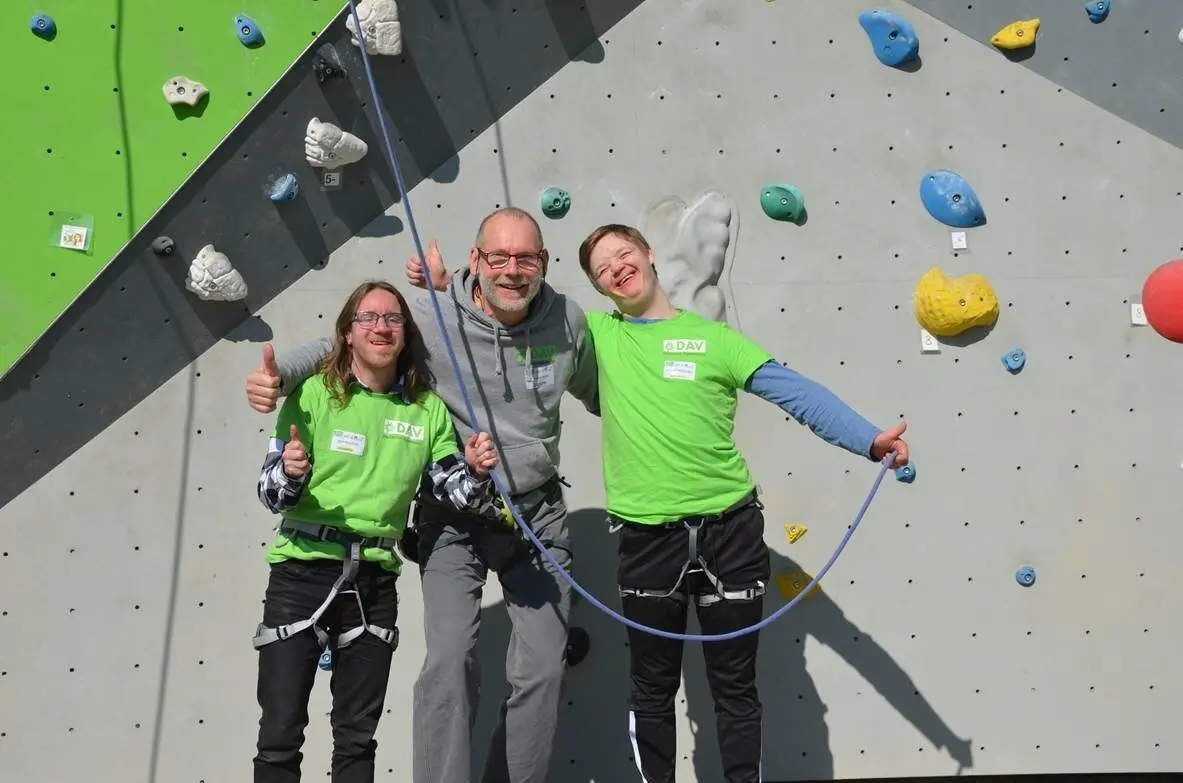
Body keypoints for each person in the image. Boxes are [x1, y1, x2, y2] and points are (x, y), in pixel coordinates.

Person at [243, 207, 600, 783]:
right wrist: (279, 375)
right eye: (499, 258)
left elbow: (603, 389)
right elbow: (343, 338)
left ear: (545, 265)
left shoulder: (569, 323)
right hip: (452, 521)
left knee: (543, 672)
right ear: (475, 261)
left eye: (526, 258)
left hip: (538, 517)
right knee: (450, 661)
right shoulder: (429, 319)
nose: (513, 271)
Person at [573, 223, 911, 783]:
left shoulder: (715, 340)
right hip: (646, 543)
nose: (617, 267)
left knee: (734, 690)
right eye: (602, 267)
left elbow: (793, 391)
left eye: (624, 253)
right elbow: (519, 316)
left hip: (730, 536)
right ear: (598, 286)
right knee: (651, 690)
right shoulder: (598, 336)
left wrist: (867, 438)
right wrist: (451, 287)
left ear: (649, 255)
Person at [252, 279, 501, 783]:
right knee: (280, 735)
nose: (381, 328)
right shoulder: (313, 394)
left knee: (356, 739)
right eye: (368, 318)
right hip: (300, 574)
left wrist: (475, 471)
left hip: (373, 582)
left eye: (392, 319)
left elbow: (456, 491)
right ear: (347, 333)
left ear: (406, 334)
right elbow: (270, 492)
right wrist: (292, 474)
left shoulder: (426, 409)